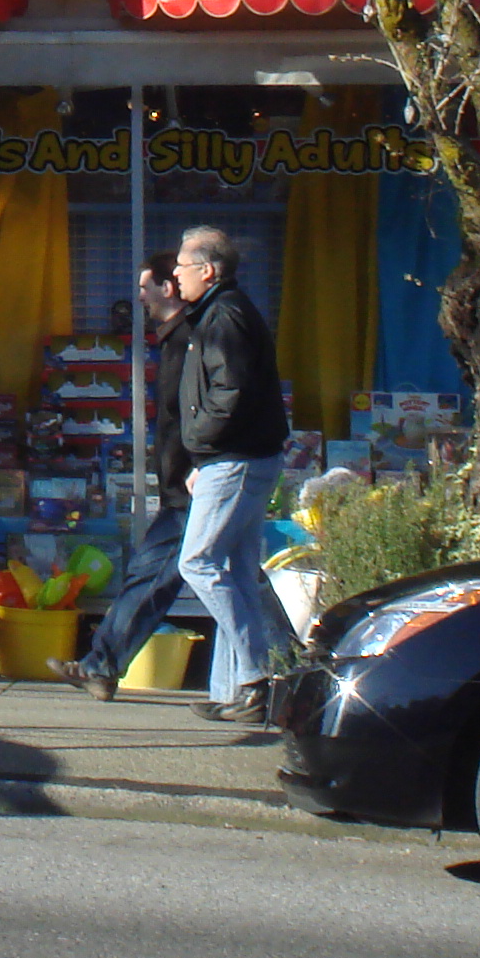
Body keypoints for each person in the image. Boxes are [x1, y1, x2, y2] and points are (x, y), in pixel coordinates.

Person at [169, 223, 291, 724]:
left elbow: (230, 392)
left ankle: (257, 676)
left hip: (236, 459)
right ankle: (232, 691)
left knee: (197, 563)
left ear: (208, 270)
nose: (174, 275)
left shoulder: (226, 316)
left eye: (181, 266)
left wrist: (201, 447)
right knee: (236, 572)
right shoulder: (218, 313)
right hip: (237, 458)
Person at [56, 251, 186, 701]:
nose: (139, 296)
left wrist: (201, 465)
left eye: (146, 286)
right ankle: (101, 665)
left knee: (166, 574)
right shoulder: (172, 340)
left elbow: (209, 411)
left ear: (169, 288)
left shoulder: (194, 339)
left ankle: (291, 670)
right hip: (185, 485)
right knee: (226, 579)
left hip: (199, 484)